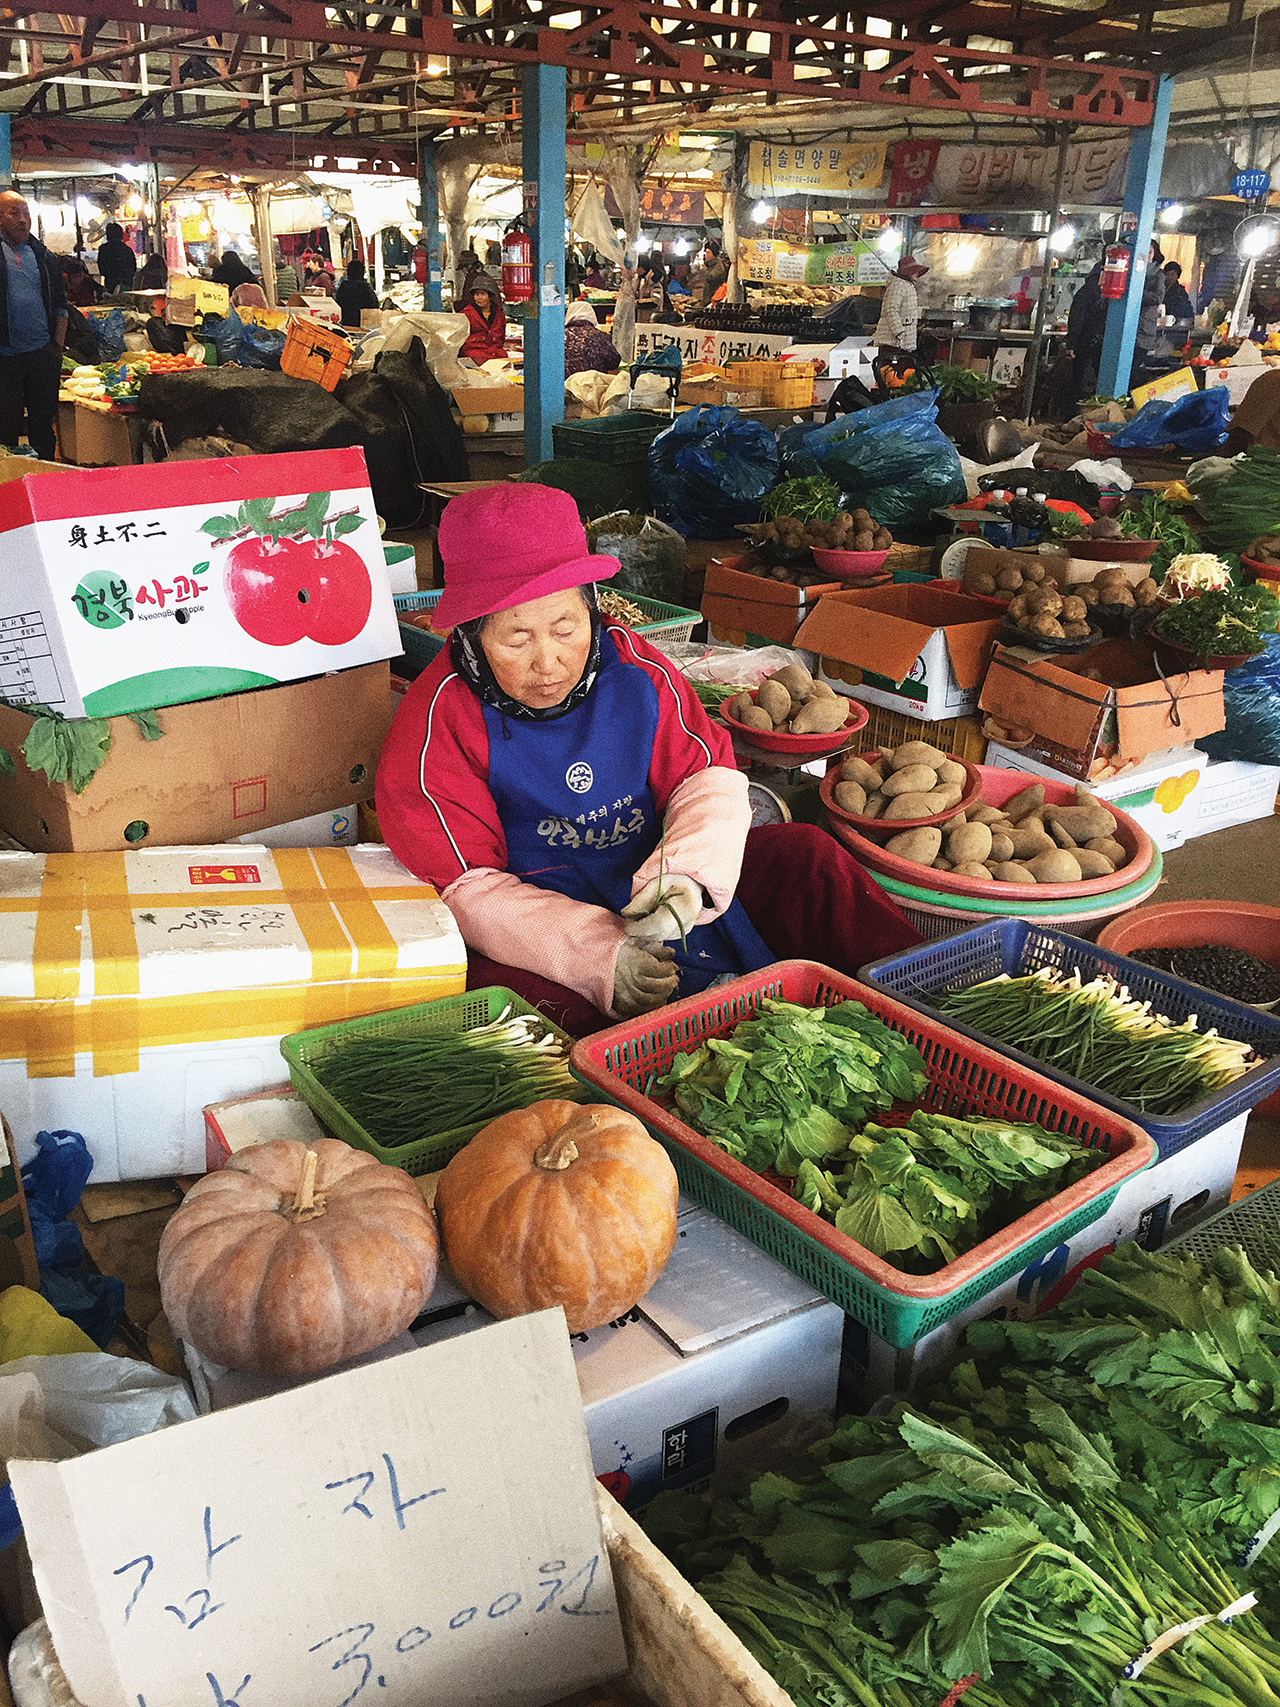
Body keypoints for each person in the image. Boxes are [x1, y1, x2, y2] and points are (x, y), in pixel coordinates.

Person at [375, 484, 922, 1036]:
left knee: (805, 854)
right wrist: (597, 956)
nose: (548, 662)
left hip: (656, 873)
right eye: (516, 640)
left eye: (566, 629)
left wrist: (685, 876)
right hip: (540, 916)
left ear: (592, 608)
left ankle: (929, 995)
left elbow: (706, 778)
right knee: (516, 1004)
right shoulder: (437, 721)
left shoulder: (636, 671)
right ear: (470, 633)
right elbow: (470, 890)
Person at [0, 190, 68, 463]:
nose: (21, 219)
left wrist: (57, 349)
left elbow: (62, 306)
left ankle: (47, 480)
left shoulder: (42, 255)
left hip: (42, 355)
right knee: (6, 426)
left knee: (43, 425)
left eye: (25, 212)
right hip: (5, 358)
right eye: (12, 213)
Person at [1066, 260, 1107, 403]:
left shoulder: (1086, 291)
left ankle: (1075, 415)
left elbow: (1076, 319)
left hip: (1085, 344)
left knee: (1081, 384)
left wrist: (1072, 343)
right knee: (1087, 384)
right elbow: (1078, 318)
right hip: (1094, 344)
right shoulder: (1097, 293)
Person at [872, 255, 928, 354]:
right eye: (915, 271)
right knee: (890, 368)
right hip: (892, 342)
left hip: (900, 342)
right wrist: (899, 332)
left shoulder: (905, 285)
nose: (917, 274)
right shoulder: (898, 285)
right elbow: (891, 309)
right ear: (909, 272)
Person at [563, 295, 622, 377]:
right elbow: (614, 363)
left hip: (564, 386)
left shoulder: (560, 337)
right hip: (594, 386)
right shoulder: (602, 337)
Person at [459, 272, 507, 364]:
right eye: (477, 294)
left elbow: (502, 336)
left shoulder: (499, 313)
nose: (479, 298)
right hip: (474, 353)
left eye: (483, 294)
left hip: (496, 353)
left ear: (490, 296)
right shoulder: (466, 314)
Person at [335, 257, 379, 327]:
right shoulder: (365, 287)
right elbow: (375, 305)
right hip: (363, 323)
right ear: (362, 272)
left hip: (346, 322)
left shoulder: (343, 287)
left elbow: (338, 303)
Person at [96, 221, 136, 294]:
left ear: (108, 235)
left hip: (110, 283)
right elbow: (133, 269)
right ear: (121, 235)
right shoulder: (127, 250)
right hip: (126, 284)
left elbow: (102, 269)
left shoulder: (103, 249)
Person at [1163, 261, 1194, 328]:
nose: (1170, 277)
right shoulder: (1161, 288)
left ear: (1177, 275)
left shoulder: (1180, 291)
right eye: (1168, 274)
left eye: (1173, 274)